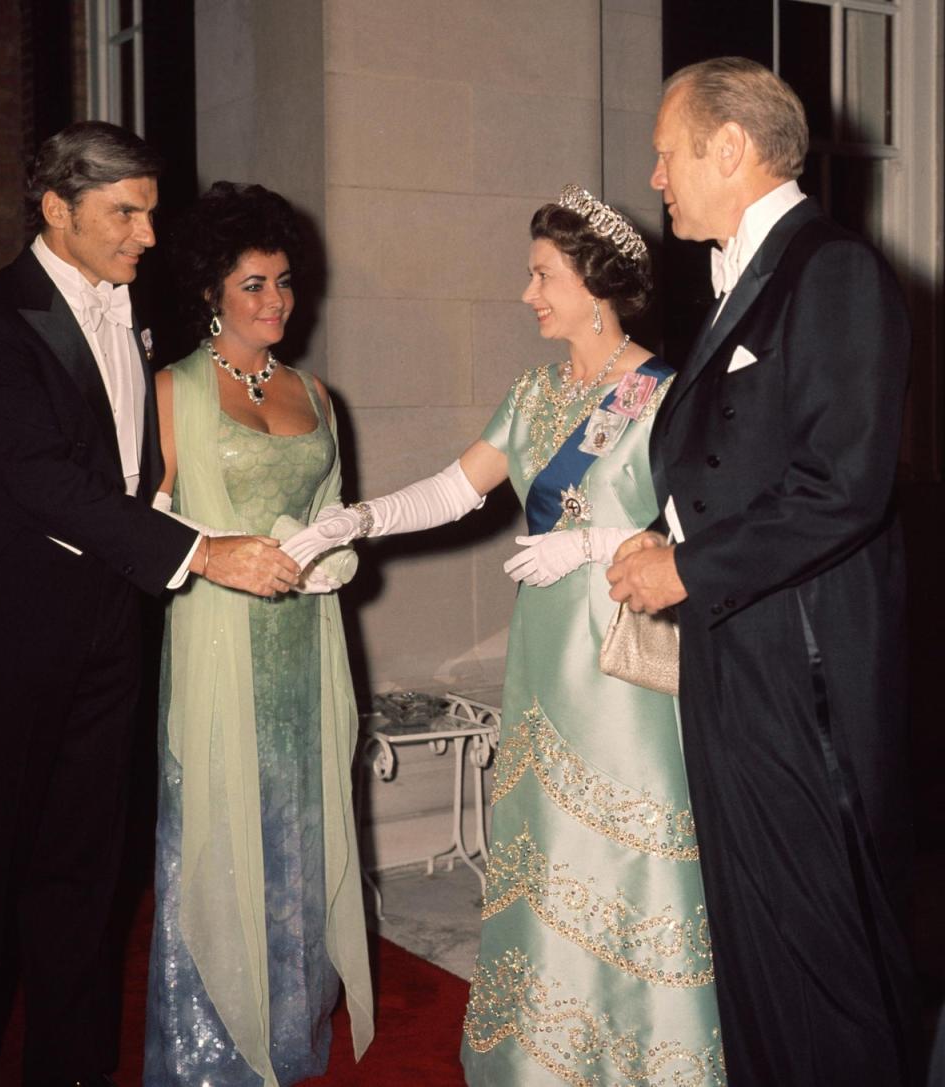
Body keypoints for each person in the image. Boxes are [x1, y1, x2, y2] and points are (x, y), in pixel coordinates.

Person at [283, 185, 726, 1085]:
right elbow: (454, 490)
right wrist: (353, 519)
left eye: (542, 276)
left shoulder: (662, 395)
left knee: (624, 862)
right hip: (543, 663)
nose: (528, 295)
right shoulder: (534, 393)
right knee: (547, 851)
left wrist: (600, 540)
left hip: (623, 668)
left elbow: (708, 537)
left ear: (595, 287)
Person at [608, 57, 918, 1086]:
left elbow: (844, 483)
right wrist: (664, 534)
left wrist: (690, 568)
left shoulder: (829, 268)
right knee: (755, 939)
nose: (654, 174)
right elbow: (738, 460)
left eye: (667, 150)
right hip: (741, 650)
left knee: (820, 951)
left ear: (728, 148)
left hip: (806, 667)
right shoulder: (749, 268)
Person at [0, 124, 298, 1087]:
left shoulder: (140, 309)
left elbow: (128, 470)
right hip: (15, 642)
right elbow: (45, 482)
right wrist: (202, 550)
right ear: (55, 209)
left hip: (117, 630)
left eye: (151, 211)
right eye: (126, 212)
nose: (148, 235)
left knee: (84, 884)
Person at [142, 181, 373, 1086]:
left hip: (307, 656)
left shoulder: (317, 392)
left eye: (283, 281)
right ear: (211, 291)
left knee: (297, 833)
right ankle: (207, 1055)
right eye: (252, 284)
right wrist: (211, 550)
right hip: (215, 649)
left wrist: (332, 550)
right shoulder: (171, 391)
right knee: (215, 833)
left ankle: (284, 1034)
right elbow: (138, 527)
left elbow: (330, 513)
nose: (275, 301)